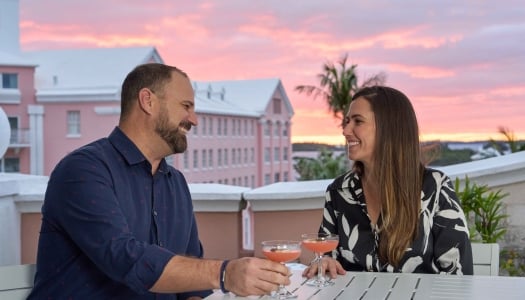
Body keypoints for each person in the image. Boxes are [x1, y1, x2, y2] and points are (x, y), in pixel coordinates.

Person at [28, 63, 291, 299]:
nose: (194, 120)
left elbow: (190, 280)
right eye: (186, 106)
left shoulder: (175, 183)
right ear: (148, 101)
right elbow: (125, 258)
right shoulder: (82, 170)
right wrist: (225, 274)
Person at [303, 86, 473, 279]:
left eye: (358, 121)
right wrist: (323, 262)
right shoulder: (339, 191)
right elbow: (325, 256)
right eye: (347, 121)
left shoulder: (435, 187)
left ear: (389, 128)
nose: (345, 130)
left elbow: (458, 274)